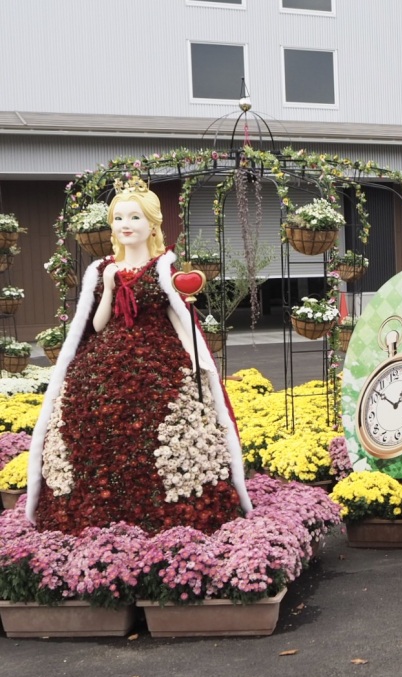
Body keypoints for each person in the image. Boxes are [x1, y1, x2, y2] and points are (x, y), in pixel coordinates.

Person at [25, 178, 251, 535]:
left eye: (134, 217)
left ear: (152, 225)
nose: (125, 225)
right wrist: (111, 288)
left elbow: (180, 318)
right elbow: (97, 325)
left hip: (160, 362)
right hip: (103, 360)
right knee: (88, 416)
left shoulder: (165, 269)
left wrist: (197, 359)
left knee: (168, 417)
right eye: (118, 218)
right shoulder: (103, 271)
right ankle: (91, 510)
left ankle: (174, 507)